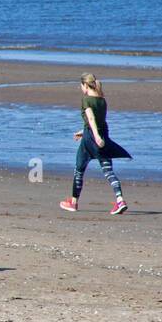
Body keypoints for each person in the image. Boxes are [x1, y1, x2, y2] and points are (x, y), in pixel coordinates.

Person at [60, 73, 130, 215]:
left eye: (81, 86)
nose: (81, 88)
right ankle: (120, 200)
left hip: (90, 140)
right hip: (102, 137)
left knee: (79, 169)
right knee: (108, 171)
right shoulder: (102, 100)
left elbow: (91, 118)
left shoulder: (86, 100)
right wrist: (84, 131)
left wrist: (94, 136)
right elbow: (99, 122)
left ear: (85, 85)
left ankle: (73, 203)